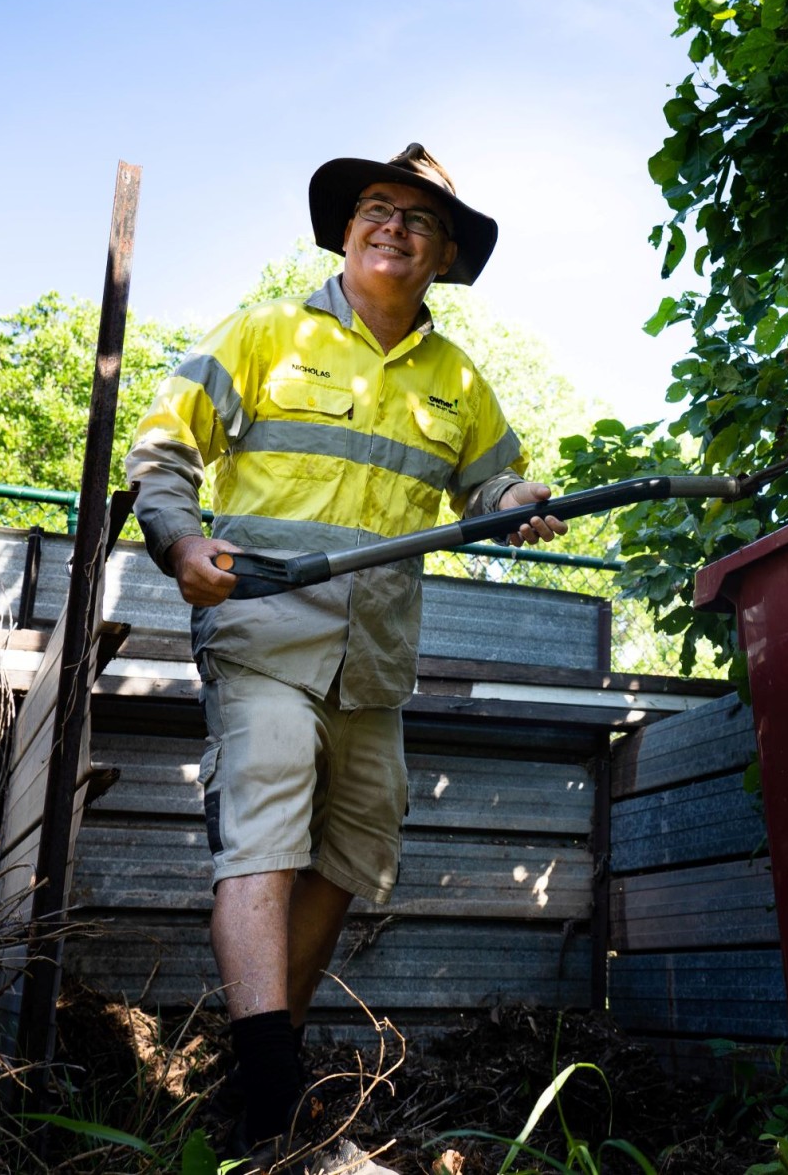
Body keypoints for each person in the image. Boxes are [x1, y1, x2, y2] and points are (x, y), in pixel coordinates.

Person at [123, 143, 566, 1154]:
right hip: (263, 630)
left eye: (417, 220)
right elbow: (163, 445)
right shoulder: (266, 331)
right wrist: (179, 539)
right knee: (266, 826)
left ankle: (255, 1058)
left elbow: (494, 486)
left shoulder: (456, 379)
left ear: (443, 254)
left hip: (372, 656)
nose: (392, 227)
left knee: (351, 850)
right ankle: (272, 1096)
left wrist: (518, 505)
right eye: (376, 207)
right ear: (346, 227)